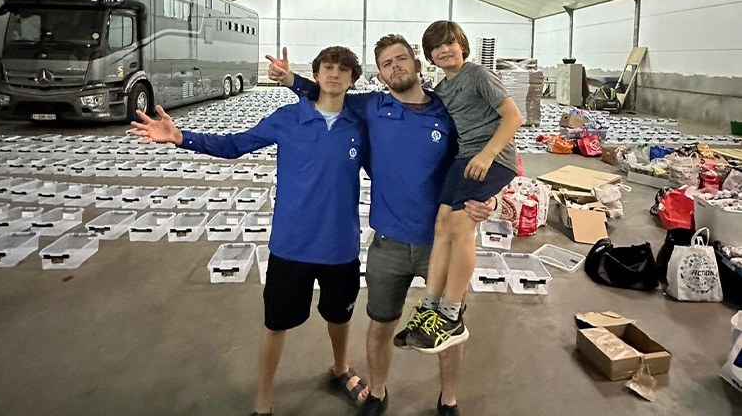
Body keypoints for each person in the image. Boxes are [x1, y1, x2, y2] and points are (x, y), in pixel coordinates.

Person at [130, 46, 370, 416]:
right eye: (327, 67)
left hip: (341, 246)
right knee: (276, 322)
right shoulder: (287, 118)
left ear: (353, 79)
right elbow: (234, 145)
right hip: (291, 245)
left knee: (340, 315)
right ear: (317, 74)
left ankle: (340, 368)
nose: (334, 74)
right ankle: (263, 400)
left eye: (342, 69)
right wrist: (182, 137)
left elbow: (391, 170)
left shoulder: (360, 124)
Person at [266, 35, 495, 416]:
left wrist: (490, 196)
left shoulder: (448, 110)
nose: (396, 67)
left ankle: (449, 398)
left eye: (401, 59)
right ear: (380, 76)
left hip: (442, 243)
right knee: (380, 323)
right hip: (387, 243)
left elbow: (482, 150)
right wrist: (292, 81)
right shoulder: (371, 107)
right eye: (387, 64)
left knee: (449, 325)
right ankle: (377, 391)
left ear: (418, 65)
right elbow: (326, 91)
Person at [397, 21, 523, 354]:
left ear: (462, 45)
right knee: (440, 225)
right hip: (463, 158)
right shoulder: (441, 89)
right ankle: (430, 307)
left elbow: (514, 117)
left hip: (492, 157)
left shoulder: (478, 74)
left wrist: (487, 154)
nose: (445, 49)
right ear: (430, 56)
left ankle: (451, 314)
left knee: (460, 225)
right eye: (437, 47)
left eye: (450, 42)